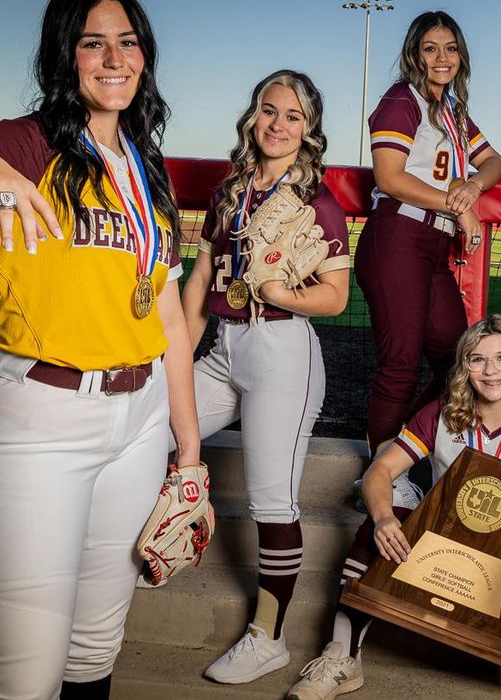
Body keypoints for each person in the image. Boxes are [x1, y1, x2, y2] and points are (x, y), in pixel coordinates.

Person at [0, 0, 202, 699]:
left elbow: (168, 318)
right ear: (64, 55)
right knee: (26, 678)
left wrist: (190, 449)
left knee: (92, 655)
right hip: (39, 420)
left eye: (128, 41)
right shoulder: (12, 144)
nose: (113, 58)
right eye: (92, 43)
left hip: (140, 422)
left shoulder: (148, 166)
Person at [287, 315, 501, 700]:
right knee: (381, 523)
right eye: (478, 360)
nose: (491, 371)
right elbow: (380, 471)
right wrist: (382, 519)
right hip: (442, 549)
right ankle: (341, 657)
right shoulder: (442, 411)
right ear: (464, 366)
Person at [177, 71, 351, 683]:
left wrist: (282, 291)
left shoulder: (316, 202)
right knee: (153, 426)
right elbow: (199, 285)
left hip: (283, 351)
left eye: (294, 116)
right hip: (224, 347)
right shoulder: (229, 192)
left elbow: (335, 298)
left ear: (310, 131)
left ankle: (268, 635)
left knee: (271, 501)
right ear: (253, 118)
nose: (278, 124)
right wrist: (180, 362)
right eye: (268, 111)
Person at [355, 11, 501, 505]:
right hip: (397, 236)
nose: (441, 58)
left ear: (461, 56)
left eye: (450, 48)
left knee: (457, 359)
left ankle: (402, 450)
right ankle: (382, 478)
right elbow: (389, 177)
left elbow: (495, 162)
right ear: (414, 54)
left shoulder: (454, 114)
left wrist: (471, 188)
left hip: (433, 245)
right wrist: (458, 207)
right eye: (430, 48)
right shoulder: (403, 99)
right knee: (400, 365)